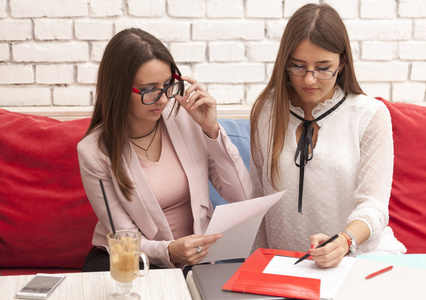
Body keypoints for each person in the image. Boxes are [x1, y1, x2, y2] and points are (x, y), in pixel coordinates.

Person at [77, 28, 252, 273]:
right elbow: (125, 240)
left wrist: (212, 130)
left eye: (169, 85)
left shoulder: (185, 117)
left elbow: (241, 196)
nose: (163, 99)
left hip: (193, 262)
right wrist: (169, 251)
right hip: (134, 260)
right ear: (118, 89)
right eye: (149, 90)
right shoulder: (94, 152)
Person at [250, 3, 406, 268]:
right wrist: (257, 265)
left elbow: (374, 207)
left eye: (323, 68)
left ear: (342, 62)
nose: (309, 80)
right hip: (288, 265)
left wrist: (345, 241)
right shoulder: (267, 112)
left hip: (358, 259)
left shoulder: (369, 114)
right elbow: (257, 201)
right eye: (298, 66)